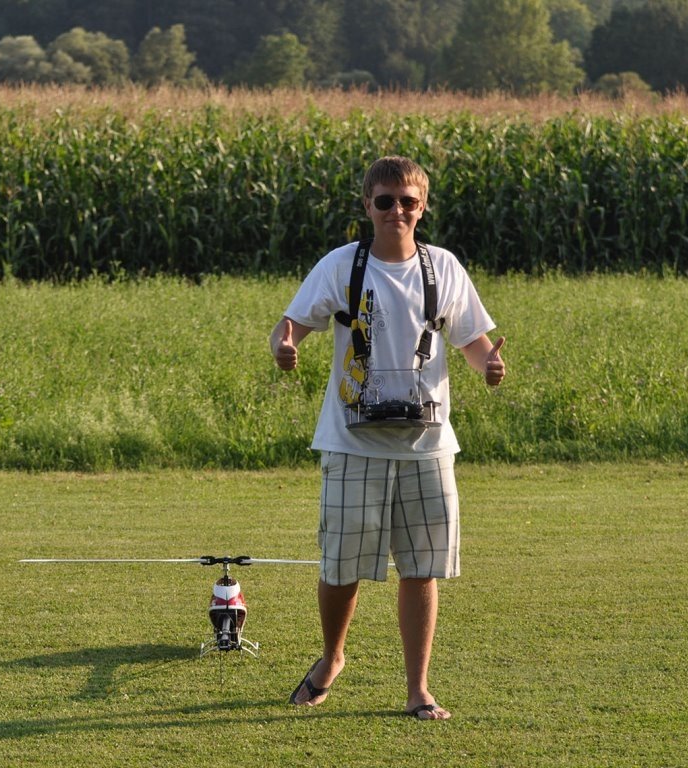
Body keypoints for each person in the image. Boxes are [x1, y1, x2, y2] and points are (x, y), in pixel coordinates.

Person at [270, 156, 506, 721]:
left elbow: (475, 339)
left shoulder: (444, 267)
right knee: (341, 567)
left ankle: (418, 688)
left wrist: (489, 367)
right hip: (352, 441)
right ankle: (331, 658)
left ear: (422, 208)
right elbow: (293, 322)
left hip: (428, 444)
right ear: (367, 205)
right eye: (385, 200)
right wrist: (285, 345)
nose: (396, 210)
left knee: (421, 568)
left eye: (408, 201)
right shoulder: (340, 266)